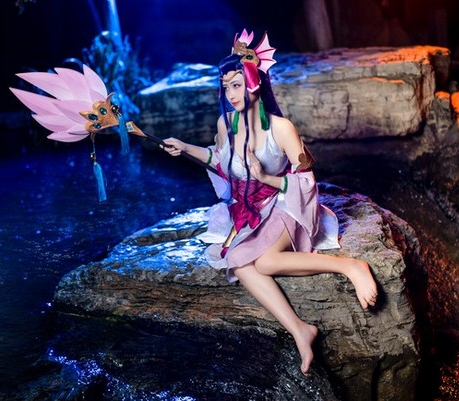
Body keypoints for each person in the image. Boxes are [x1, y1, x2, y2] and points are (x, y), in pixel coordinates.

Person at [161, 29, 377, 376]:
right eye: (226, 86)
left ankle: (351, 267)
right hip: (250, 209)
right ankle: (300, 330)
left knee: (265, 261)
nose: (231, 94)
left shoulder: (281, 128)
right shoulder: (226, 125)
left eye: (237, 84)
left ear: (255, 83)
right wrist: (185, 148)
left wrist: (265, 177)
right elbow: (221, 161)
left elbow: (305, 181)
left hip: (286, 203)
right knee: (239, 262)